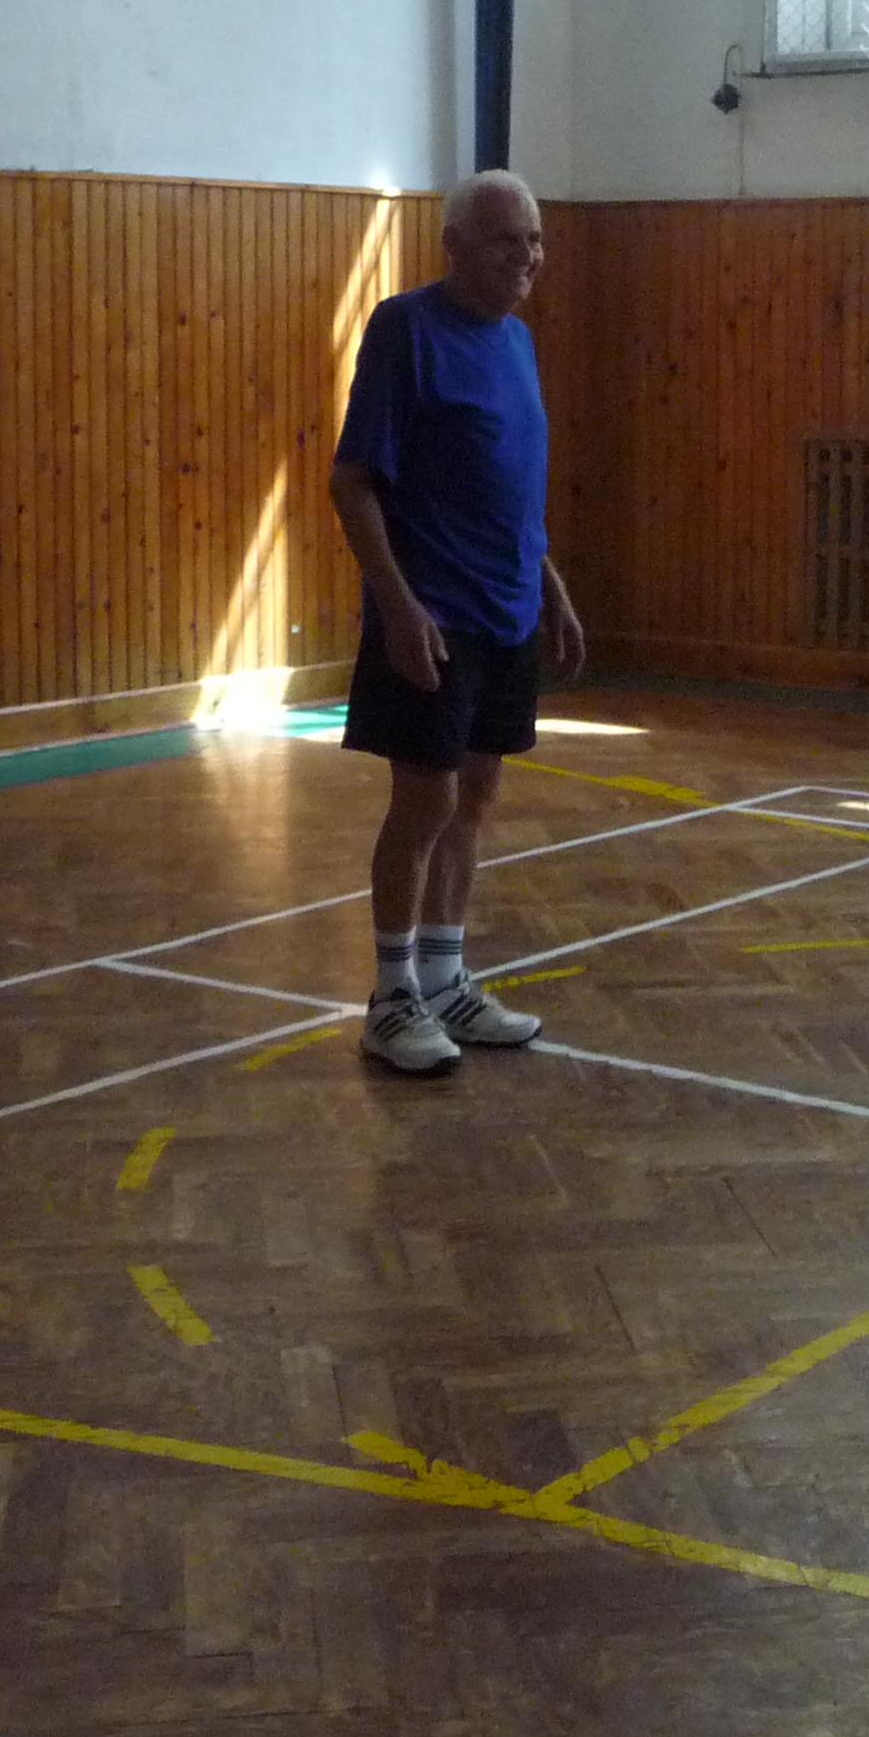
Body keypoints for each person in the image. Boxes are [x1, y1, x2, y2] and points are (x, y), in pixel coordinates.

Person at [329, 168, 586, 1074]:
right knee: (426, 800)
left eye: (536, 239)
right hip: (434, 615)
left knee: (476, 794)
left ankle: (445, 979)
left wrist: (549, 584)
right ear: (454, 247)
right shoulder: (406, 330)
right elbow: (353, 482)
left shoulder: (516, 340)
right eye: (507, 240)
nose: (528, 257)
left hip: (507, 608)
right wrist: (397, 606)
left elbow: (504, 484)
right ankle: (391, 997)